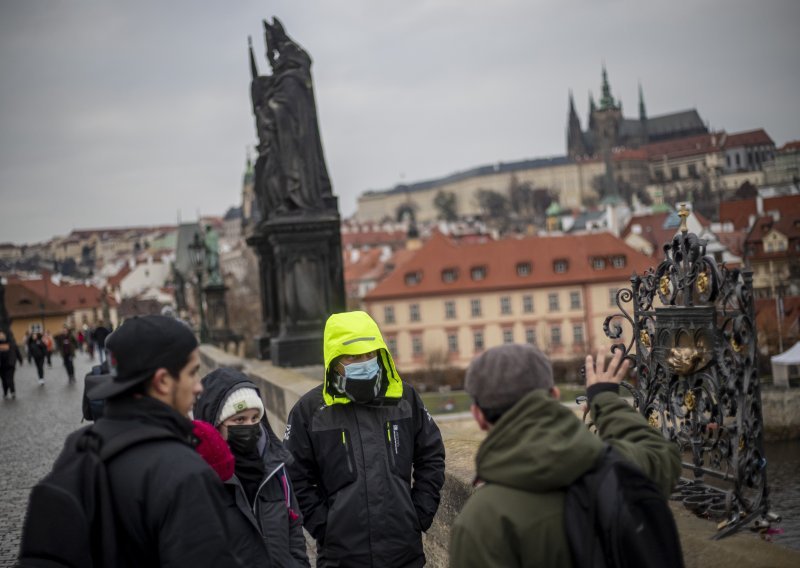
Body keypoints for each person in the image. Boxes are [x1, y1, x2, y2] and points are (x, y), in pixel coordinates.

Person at [26, 314, 244, 567]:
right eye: (192, 373)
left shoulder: (77, 448)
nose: (198, 387)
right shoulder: (183, 471)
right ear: (163, 381)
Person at [449, 344, 682, 567]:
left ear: (478, 416)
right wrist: (605, 399)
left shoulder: (481, 521)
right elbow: (661, 455)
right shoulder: (620, 465)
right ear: (554, 395)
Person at [284, 310, 446, 568]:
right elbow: (294, 477)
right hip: (342, 558)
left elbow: (431, 455)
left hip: (404, 554)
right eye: (354, 357)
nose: (365, 361)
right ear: (334, 360)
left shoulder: (404, 399)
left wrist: (419, 514)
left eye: (370, 354)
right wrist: (325, 527)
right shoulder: (311, 411)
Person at [194, 368, 309, 567]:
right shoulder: (202, 477)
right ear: (215, 425)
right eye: (239, 420)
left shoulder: (275, 467)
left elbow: (294, 525)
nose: (250, 426)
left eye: (255, 418)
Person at [0, 330, 23, 399]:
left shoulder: (11, 343)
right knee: (4, 380)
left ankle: (12, 391)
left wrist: (20, 360)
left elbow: (17, 351)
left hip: (10, 364)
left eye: (2, 335)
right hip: (1, 365)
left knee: (9, 379)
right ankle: (5, 392)